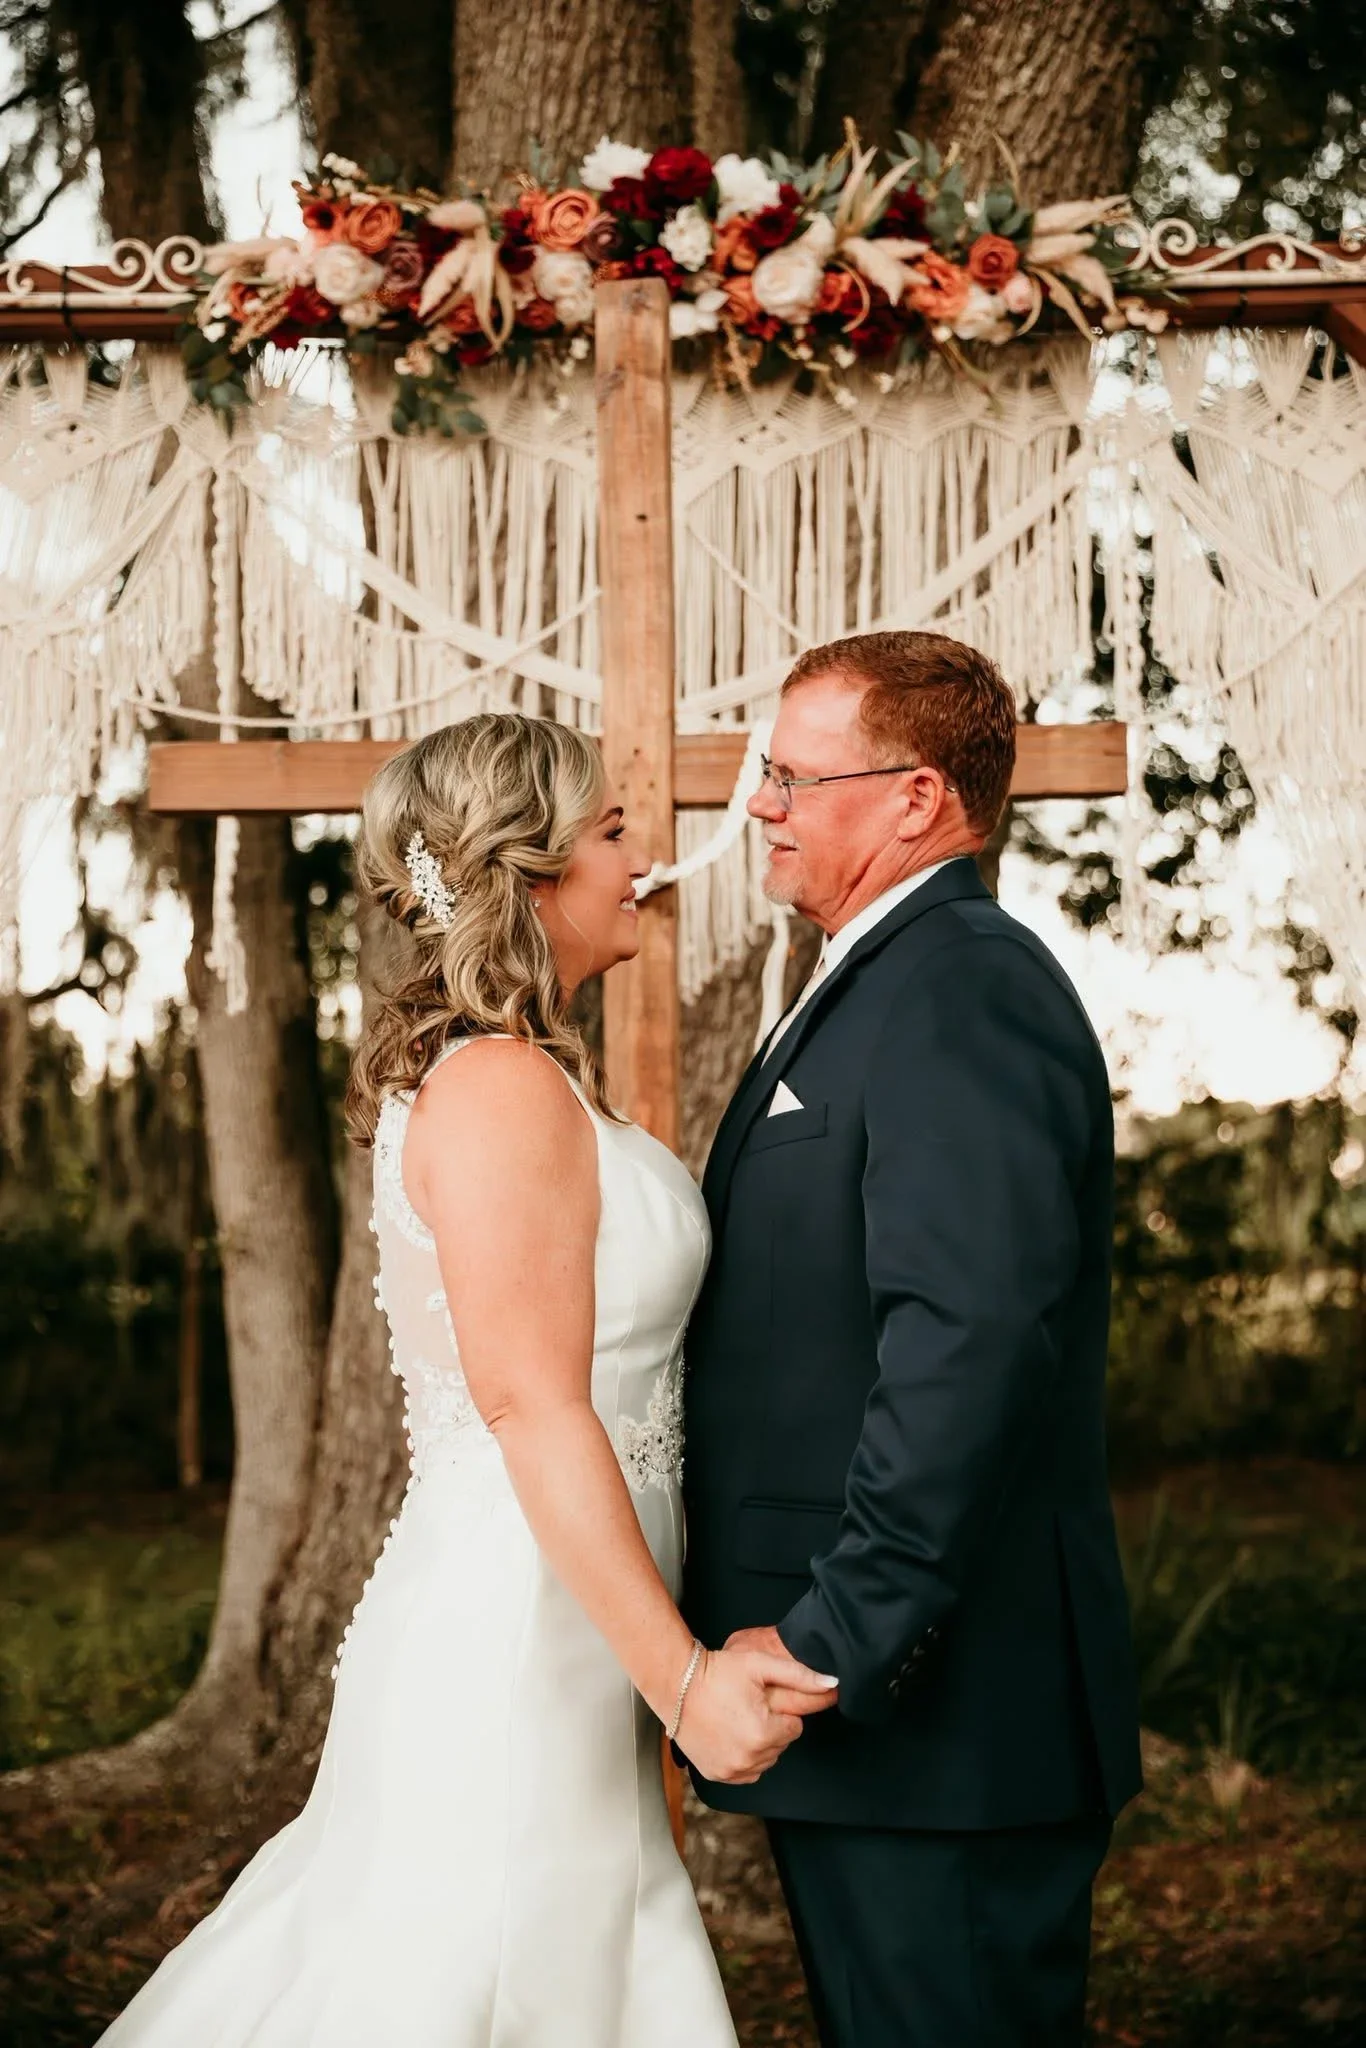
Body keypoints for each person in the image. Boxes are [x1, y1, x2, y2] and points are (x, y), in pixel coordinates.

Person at [97, 711, 838, 2048]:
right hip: (517, 1632)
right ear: (531, 867)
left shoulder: (543, 1080)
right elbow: (531, 1404)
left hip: (572, 1618)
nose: (639, 854)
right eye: (611, 831)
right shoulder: (496, 1087)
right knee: (482, 1964)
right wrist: (679, 1682)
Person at [682, 630, 1143, 2048]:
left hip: (936, 1716)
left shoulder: (962, 985)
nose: (759, 804)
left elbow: (969, 1341)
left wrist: (832, 1640)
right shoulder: (867, 978)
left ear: (915, 799)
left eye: (791, 776)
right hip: (892, 1732)